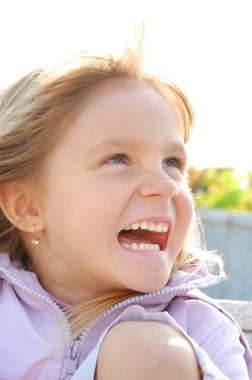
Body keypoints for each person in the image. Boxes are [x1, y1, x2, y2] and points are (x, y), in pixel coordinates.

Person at [0, 42, 251, 380]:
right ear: (26, 206)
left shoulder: (201, 328)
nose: (166, 184)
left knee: (149, 350)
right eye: (117, 159)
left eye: (172, 163)